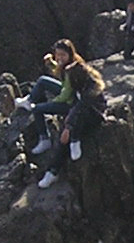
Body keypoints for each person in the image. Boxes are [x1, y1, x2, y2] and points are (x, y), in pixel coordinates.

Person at [36, 59, 107, 189]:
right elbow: (75, 106)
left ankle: (75, 140)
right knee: (63, 142)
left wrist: (68, 128)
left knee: (78, 117)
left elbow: (81, 106)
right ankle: (52, 172)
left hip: (94, 117)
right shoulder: (80, 85)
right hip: (79, 119)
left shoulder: (91, 88)